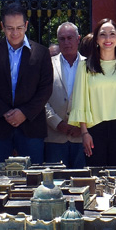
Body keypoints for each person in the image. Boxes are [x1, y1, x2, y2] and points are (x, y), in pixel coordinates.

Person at [0, 5, 53, 163]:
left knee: (32, 177)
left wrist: (24, 112)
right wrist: (5, 112)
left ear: (26, 25)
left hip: (31, 125)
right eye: (10, 28)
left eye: (19, 27)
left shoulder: (41, 52)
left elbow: (45, 89)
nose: (15, 33)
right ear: (2, 26)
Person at [70, 19, 116, 167]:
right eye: (103, 34)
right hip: (95, 129)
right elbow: (80, 100)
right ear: (97, 39)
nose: (108, 39)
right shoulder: (85, 66)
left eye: (112, 34)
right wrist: (84, 133)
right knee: (97, 177)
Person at [44, 22, 85, 168]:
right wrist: (56, 122)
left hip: (82, 138)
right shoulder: (46, 65)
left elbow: (96, 100)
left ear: (78, 39)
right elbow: (40, 98)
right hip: (54, 137)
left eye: (70, 37)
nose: (66, 42)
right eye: (62, 39)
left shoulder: (91, 66)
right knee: (56, 184)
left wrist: (83, 127)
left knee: (83, 183)